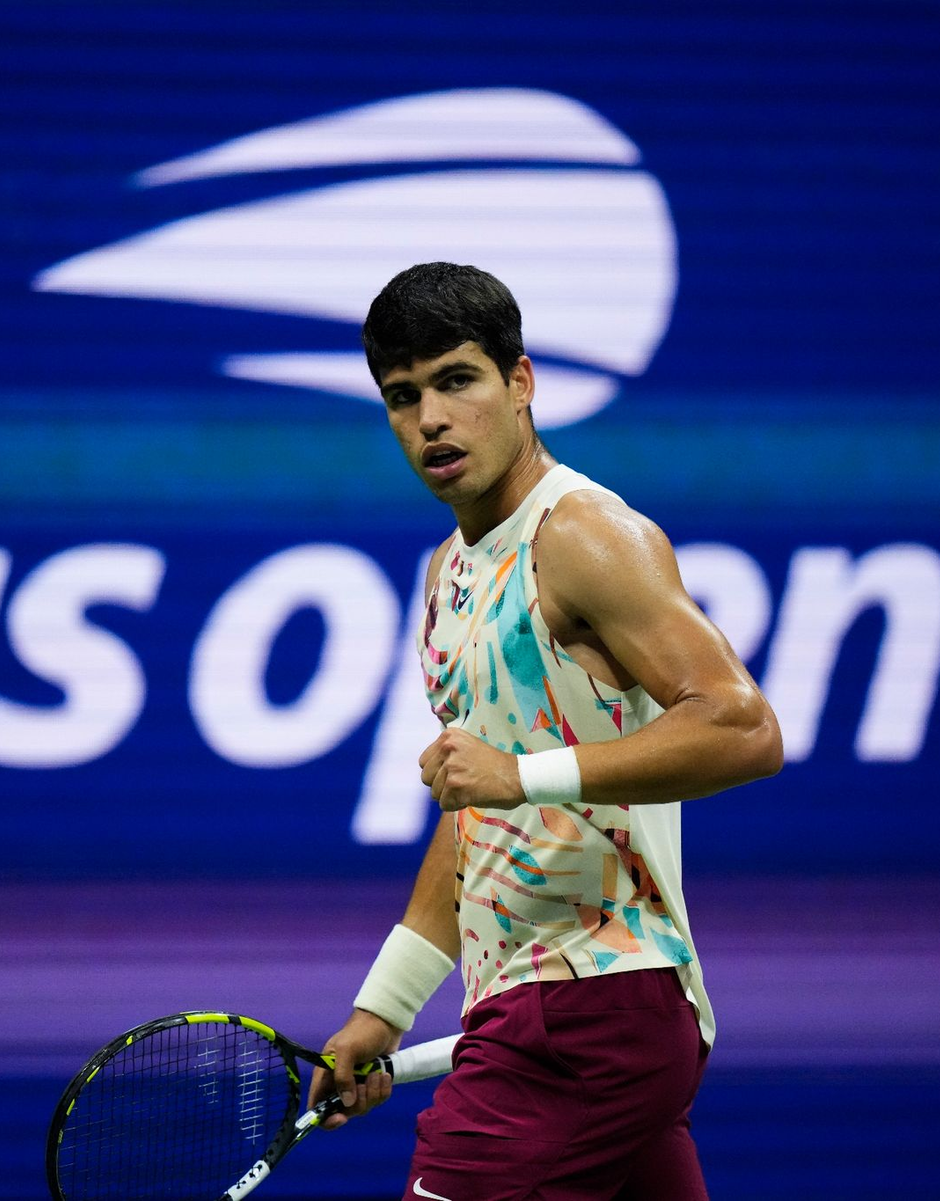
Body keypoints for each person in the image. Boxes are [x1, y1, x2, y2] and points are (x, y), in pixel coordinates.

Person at [309, 262, 783, 1200]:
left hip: (589, 1014)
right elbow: (481, 818)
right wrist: (386, 1008)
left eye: (456, 380)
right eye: (403, 397)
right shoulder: (449, 575)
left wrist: (521, 775)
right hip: (548, 1012)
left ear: (520, 382)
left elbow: (744, 728)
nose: (431, 419)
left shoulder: (584, 535)